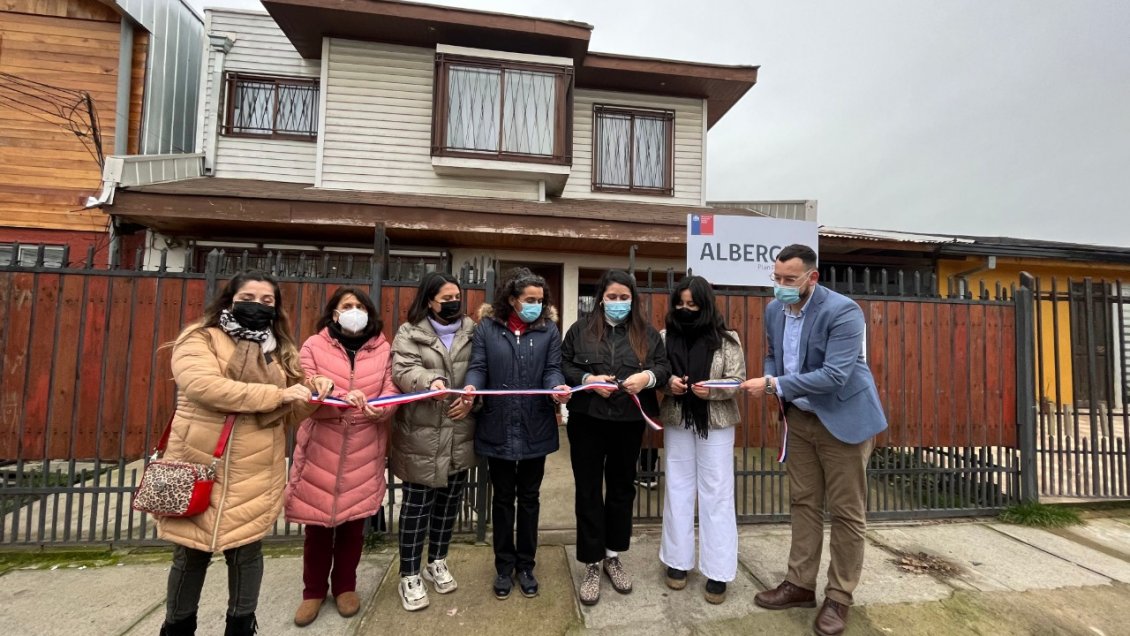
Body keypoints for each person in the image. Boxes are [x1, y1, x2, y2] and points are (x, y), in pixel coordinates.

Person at [157, 271, 332, 636]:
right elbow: (205, 387)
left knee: (247, 554)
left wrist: (313, 393)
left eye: (268, 301)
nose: (258, 305)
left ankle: (240, 627)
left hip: (255, 468)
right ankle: (177, 626)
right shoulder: (200, 338)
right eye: (250, 297)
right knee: (190, 555)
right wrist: (279, 395)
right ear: (230, 300)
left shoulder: (280, 351)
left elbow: (290, 412)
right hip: (200, 461)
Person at [740, 244, 887, 636]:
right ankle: (800, 584)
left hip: (843, 421)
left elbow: (834, 375)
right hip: (800, 420)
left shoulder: (843, 311)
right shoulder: (774, 310)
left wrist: (773, 384)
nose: (782, 286)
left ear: (812, 277)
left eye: (790, 280)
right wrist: (776, 382)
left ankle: (839, 597)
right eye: (777, 279)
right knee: (803, 503)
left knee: (846, 513)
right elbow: (773, 354)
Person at [286, 287, 397, 627]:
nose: (353, 310)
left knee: (353, 523)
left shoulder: (383, 347)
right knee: (318, 525)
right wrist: (320, 388)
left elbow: (392, 388)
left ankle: (346, 586)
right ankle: (313, 591)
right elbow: (302, 382)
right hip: (322, 443)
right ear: (333, 313)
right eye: (346, 305)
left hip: (365, 445)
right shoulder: (314, 345)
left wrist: (380, 408)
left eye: (359, 306)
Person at [561, 269, 670, 606]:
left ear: (633, 300)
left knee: (622, 489)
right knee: (589, 489)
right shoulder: (580, 330)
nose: (618, 303)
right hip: (587, 420)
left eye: (625, 297)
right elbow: (564, 364)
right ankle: (592, 562)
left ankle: (612, 555)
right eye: (612, 297)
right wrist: (588, 378)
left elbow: (664, 368)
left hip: (628, 421)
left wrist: (647, 377)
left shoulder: (647, 333)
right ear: (601, 298)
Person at [463, 267, 571, 600]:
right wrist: (472, 387)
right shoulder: (487, 329)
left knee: (529, 500)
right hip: (497, 424)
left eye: (540, 300)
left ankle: (526, 565)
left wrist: (556, 388)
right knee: (502, 499)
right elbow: (479, 366)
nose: (536, 305)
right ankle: (502, 567)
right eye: (529, 299)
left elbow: (553, 368)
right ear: (512, 299)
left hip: (535, 425)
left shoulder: (549, 331)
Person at [389, 273, 477, 612]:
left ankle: (437, 560)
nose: (454, 301)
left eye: (457, 295)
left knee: (448, 507)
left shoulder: (473, 331)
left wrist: (472, 398)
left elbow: (480, 373)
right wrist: (430, 380)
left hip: (458, 432)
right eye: (446, 297)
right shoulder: (410, 332)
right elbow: (402, 370)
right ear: (429, 301)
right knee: (416, 510)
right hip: (421, 436)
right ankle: (409, 573)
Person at [659, 275, 745, 604]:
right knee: (678, 488)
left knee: (717, 492)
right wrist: (669, 387)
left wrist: (713, 390)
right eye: (680, 304)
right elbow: (658, 372)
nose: (685, 309)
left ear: (705, 305)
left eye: (692, 304)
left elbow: (736, 380)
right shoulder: (665, 337)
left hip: (716, 422)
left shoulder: (726, 339)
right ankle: (677, 563)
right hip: (678, 419)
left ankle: (718, 571)